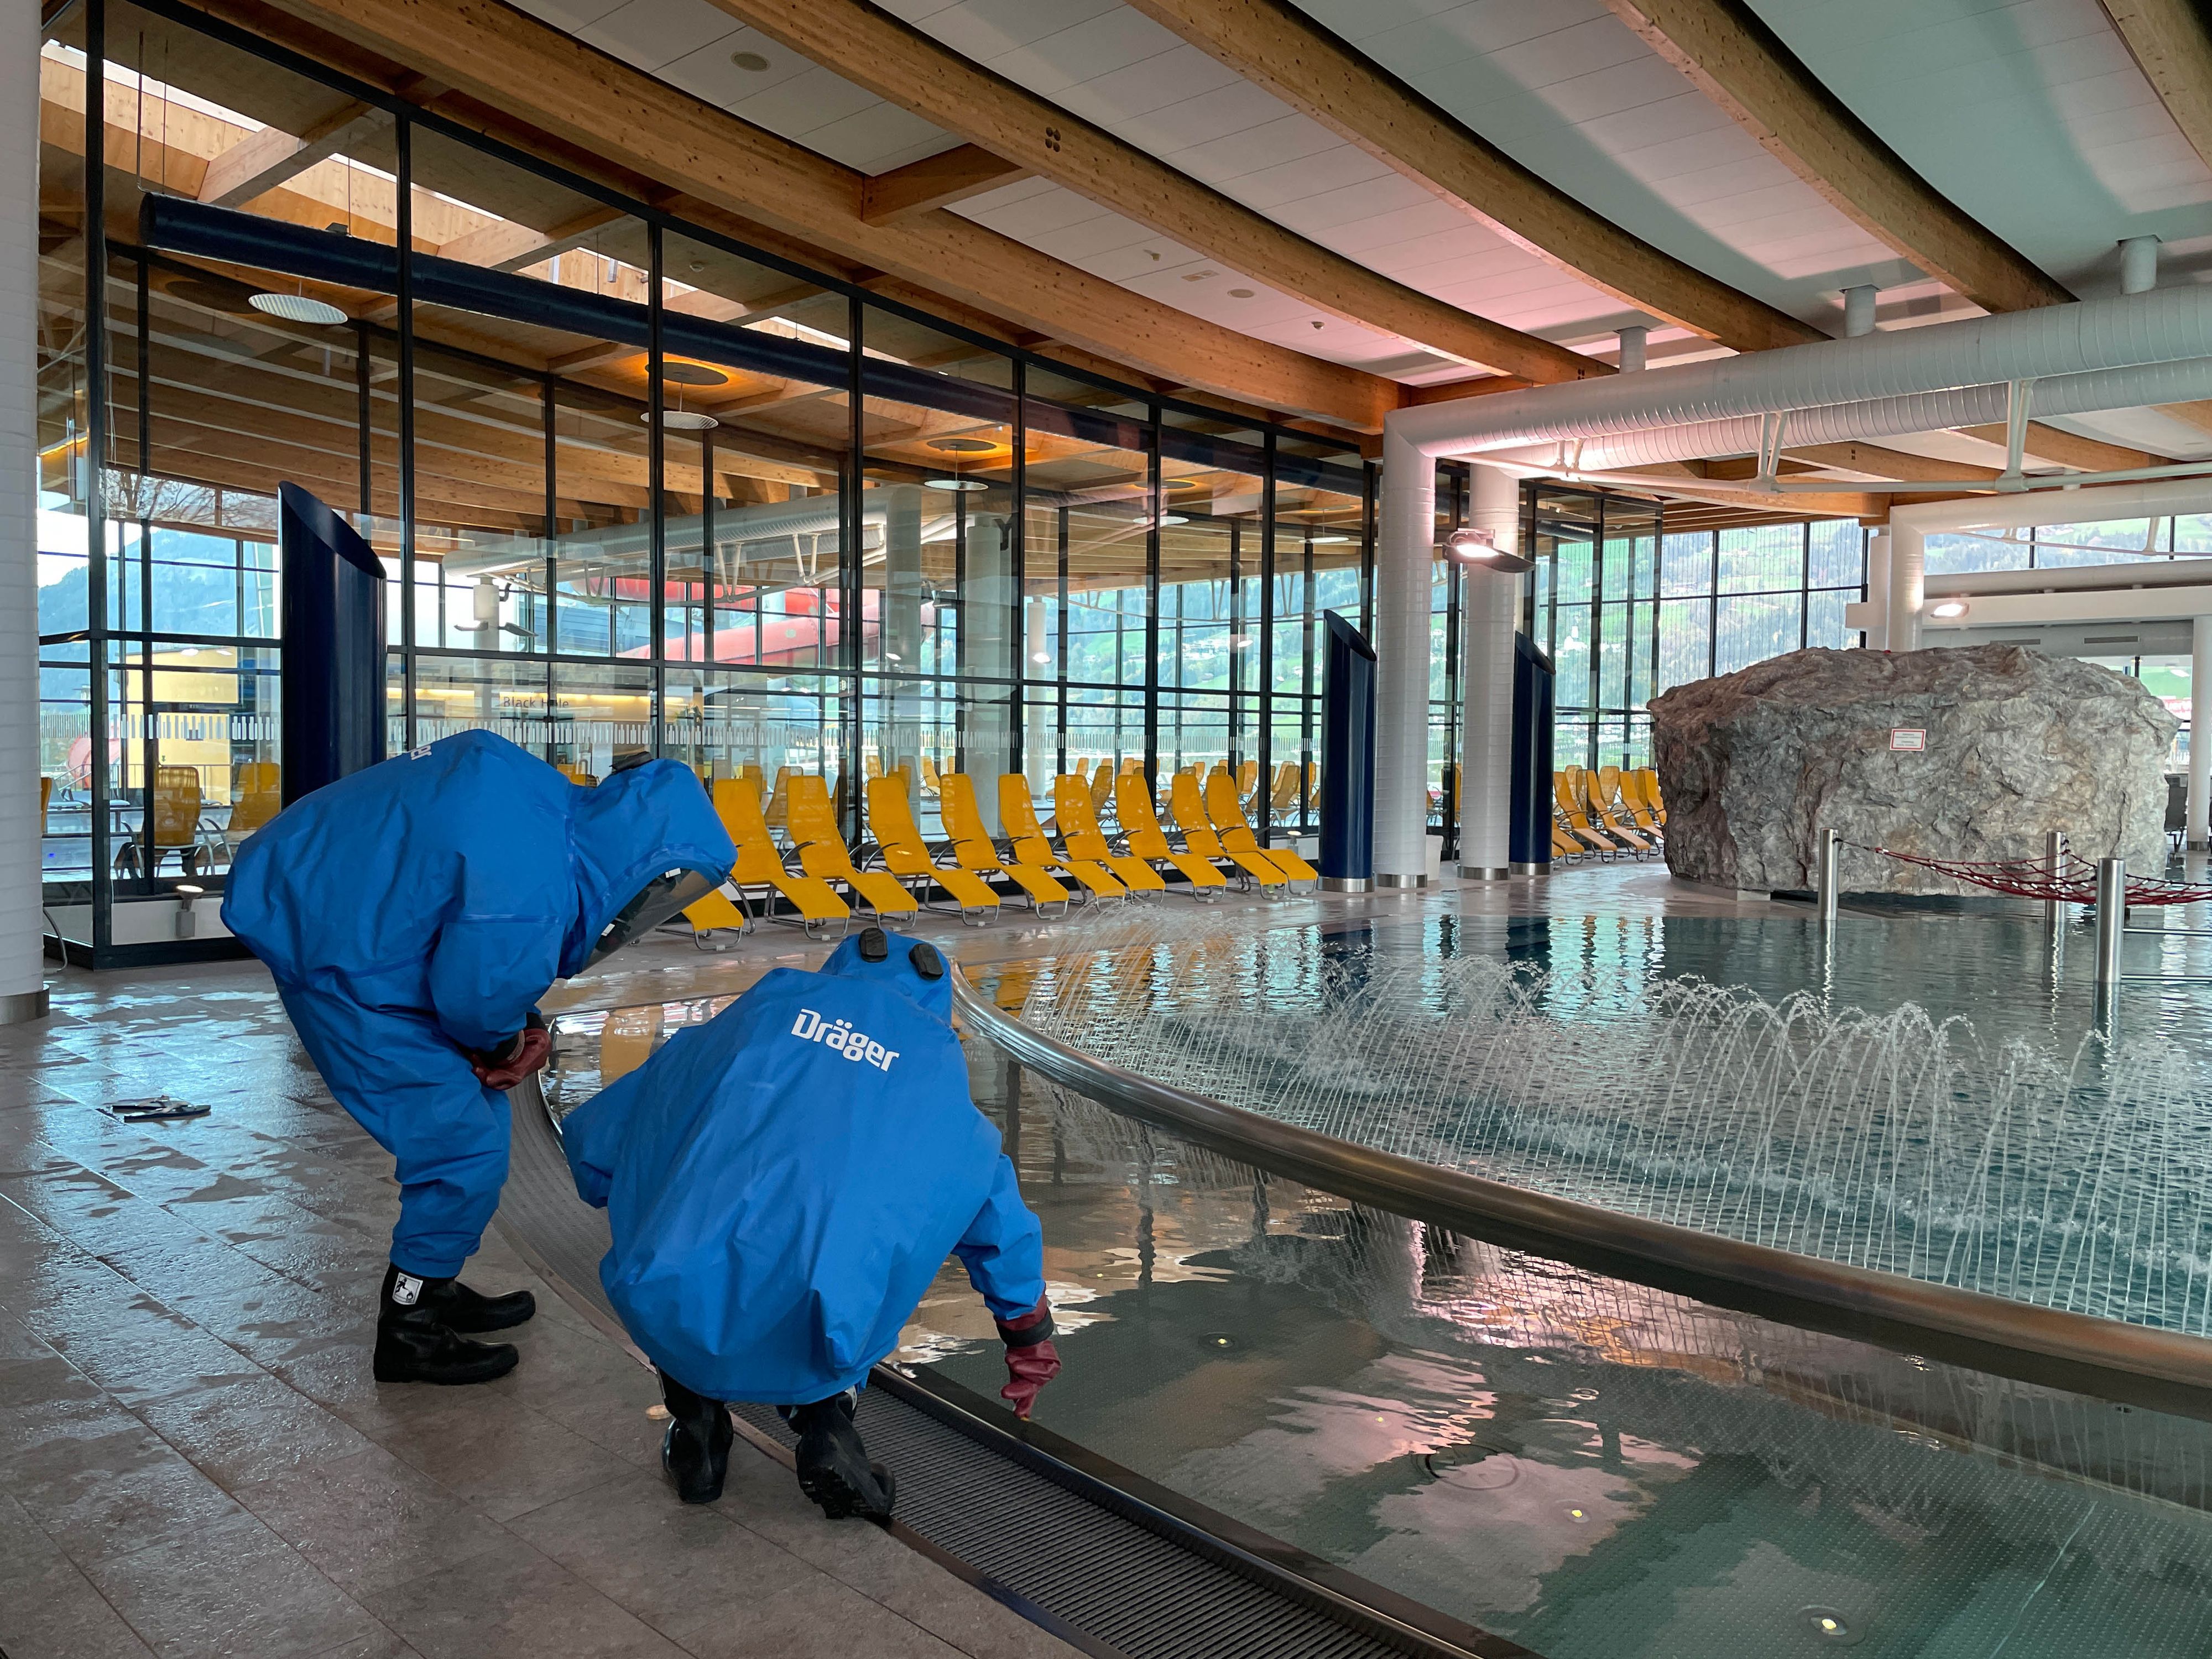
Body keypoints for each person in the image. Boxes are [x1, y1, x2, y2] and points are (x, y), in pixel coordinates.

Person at [222, 731, 734, 1386]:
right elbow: (476, 996)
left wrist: (518, 1027)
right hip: (340, 960)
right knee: (460, 1147)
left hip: (354, 916)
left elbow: (467, 930)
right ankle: (408, 1330)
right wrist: (509, 1048)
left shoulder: (541, 809)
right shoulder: (531, 889)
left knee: (478, 1130)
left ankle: (430, 1282)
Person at [561, 926, 1060, 1517]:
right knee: (846, 1293)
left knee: (680, 1273)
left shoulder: (742, 1030)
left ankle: (698, 1440)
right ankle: (827, 1429)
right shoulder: (952, 1111)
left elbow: (616, 1122)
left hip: (675, 1279)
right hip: (824, 1314)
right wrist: (1028, 1340)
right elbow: (1003, 1232)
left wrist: (611, 1187)